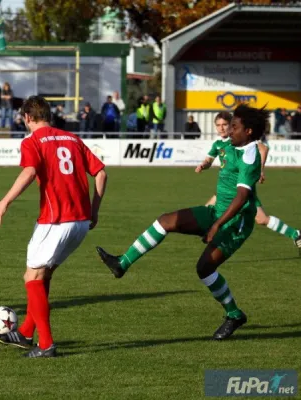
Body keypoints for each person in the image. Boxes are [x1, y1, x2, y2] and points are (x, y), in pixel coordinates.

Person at [97, 104, 269, 340]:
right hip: (216, 211)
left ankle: (234, 314)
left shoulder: (250, 156)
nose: (229, 131)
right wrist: (206, 163)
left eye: (234, 127)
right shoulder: (228, 145)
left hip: (235, 222)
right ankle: (122, 263)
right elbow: (216, 152)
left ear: (248, 131)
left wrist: (217, 226)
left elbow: (241, 198)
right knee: (166, 221)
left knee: (204, 269)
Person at [0, 96, 108, 357]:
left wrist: (4, 202)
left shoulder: (32, 141)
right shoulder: (73, 139)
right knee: (43, 275)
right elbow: (101, 173)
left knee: (32, 277)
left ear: (28, 117)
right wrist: (94, 210)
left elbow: (29, 172)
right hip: (80, 222)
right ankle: (27, 332)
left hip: (56, 220)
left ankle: (46, 344)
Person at [197, 112, 301, 252]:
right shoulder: (218, 144)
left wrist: (260, 169)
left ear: (232, 126)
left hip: (242, 189)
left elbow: (263, 148)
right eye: (218, 125)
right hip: (226, 189)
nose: (221, 128)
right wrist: (204, 165)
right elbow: (209, 160)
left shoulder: (240, 140)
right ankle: (212, 243)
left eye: (225, 125)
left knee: (262, 219)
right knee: (208, 212)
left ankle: (295, 234)